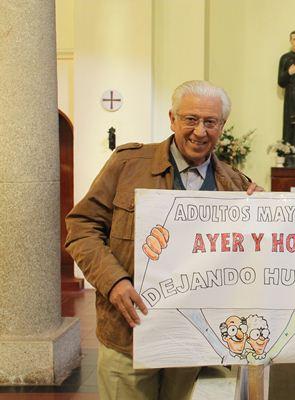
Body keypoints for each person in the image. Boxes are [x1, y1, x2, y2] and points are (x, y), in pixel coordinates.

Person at [65, 80, 261, 400]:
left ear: (222, 126)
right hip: (129, 334)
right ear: (172, 119)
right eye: (191, 119)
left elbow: (250, 259)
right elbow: (82, 226)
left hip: (194, 341)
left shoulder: (235, 185)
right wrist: (114, 282)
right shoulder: (128, 164)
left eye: (210, 122)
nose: (200, 131)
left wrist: (265, 213)